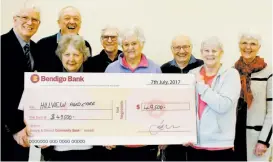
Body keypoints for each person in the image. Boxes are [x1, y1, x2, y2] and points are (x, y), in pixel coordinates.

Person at [105, 26, 161, 161]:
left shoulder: (154, 68)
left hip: (147, 143)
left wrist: (163, 135)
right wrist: (105, 135)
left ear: (141, 44)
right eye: (126, 44)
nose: (130, 48)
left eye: (134, 43)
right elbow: (105, 103)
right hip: (119, 144)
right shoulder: (111, 70)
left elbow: (161, 103)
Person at [40, 34, 97, 161]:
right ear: (61, 56)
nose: (71, 59)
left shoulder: (96, 80)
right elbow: (38, 113)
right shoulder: (47, 81)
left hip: (89, 150)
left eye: (76, 54)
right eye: (67, 54)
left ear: (83, 57)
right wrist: (39, 138)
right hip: (58, 151)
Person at [185, 37, 241, 161]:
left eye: (214, 51)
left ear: (221, 53)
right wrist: (185, 133)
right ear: (201, 52)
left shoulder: (231, 74)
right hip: (195, 145)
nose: (210, 54)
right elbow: (186, 107)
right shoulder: (191, 74)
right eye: (206, 50)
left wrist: (201, 86)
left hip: (220, 146)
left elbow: (223, 105)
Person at [1, 6, 41, 161]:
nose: (29, 22)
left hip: (26, 130)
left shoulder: (37, 50)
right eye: (25, 17)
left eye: (35, 19)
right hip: (5, 128)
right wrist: (15, 128)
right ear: (14, 19)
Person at [161, 35, 203, 161]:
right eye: (177, 47)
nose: (181, 51)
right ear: (171, 49)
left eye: (185, 47)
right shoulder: (163, 69)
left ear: (191, 47)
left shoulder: (202, 66)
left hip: (198, 129)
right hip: (172, 128)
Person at [234, 32, 272, 161]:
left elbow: (272, 111)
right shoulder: (232, 71)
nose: (248, 47)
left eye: (253, 44)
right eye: (244, 43)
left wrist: (264, 141)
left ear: (259, 47)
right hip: (233, 138)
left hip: (256, 139)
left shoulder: (269, 73)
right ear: (239, 45)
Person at [36, 6, 92, 72]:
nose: (72, 22)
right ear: (59, 23)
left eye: (76, 19)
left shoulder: (85, 45)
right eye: (67, 18)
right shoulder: (43, 44)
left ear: (80, 24)